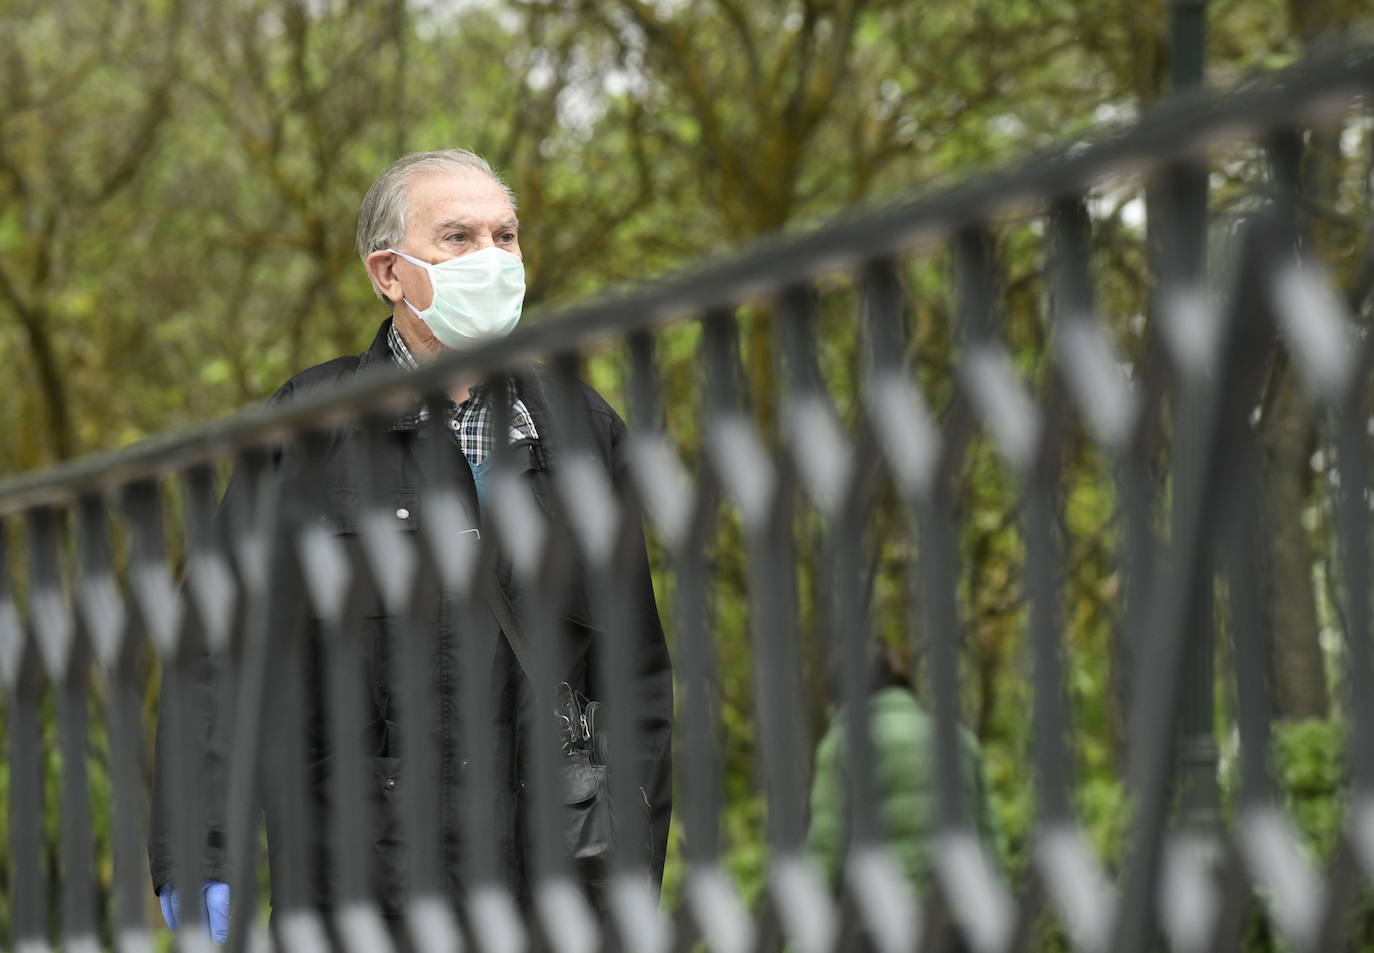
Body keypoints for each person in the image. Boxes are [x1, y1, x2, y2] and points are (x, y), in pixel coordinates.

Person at [148, 149, 674, 941]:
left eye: (507, 235)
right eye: (458, 238)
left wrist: (633, 861)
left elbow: (634, 670)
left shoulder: (579, 425)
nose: (492, 259)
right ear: (388, 274)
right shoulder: (313, 426)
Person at [806, 642, 1002, 891]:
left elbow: (826, 852)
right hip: (959, 913)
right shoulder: (959, 740)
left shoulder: (841, 746)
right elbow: (990, 844)